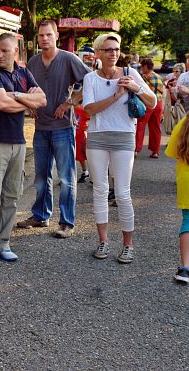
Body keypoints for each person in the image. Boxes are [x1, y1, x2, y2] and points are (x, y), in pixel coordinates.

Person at [82, 33, 156, 264]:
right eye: (108, 49)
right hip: (97, 137)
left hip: (124, 137)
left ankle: (128, 245)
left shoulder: (129, 73)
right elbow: (89, 109)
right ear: (98, 53)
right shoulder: (91, 79)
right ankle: (103, 241)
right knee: (100, 190)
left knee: (123, 193)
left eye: (116, 49)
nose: (113, 53)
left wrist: (136, 87)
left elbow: (152, 102)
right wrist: (116, 96)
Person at [0, 33, 46, 267]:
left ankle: (2, 243)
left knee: (11, 197)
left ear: (16, 51)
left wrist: (15, 95)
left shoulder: (23, 73)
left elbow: (43, 101)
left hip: (18, 143)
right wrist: (26, 102)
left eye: (5, 50)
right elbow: (0, 103)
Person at [16, 20, 91, 239]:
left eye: (48, 35)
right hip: (41, 127)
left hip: (63, 127)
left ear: (56, 36)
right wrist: (30, 104)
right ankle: (40, 215)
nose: (44, 39)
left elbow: (91, 80)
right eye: (41, 35)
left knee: (66, 177)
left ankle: (67, 222)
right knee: (41, 176)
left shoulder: (68, 59)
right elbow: (25, 88)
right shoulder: (33, 62)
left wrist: (70, 102)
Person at [165, 115, 189, 284]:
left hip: (186, 180)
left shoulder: (183, 122)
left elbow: (173, 152)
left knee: (188, 221)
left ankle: (185, 268)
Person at [135, 58, 165, 158]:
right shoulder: (159, 77)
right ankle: (155, 151)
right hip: (159, 103)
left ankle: (136, 149)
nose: (141, 69)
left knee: (141, 125)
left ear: (146, 66)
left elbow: (140, 91)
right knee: (156, 127)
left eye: (142, 66)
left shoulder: (144, 77)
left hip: (148, 103)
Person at [74, 104, 90, 183]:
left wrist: (87, 127)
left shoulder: (81, 110)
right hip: (70, 136)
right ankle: (68, 176)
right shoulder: (67, 109)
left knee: (81, 156)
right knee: (69, 156)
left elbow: (91, 117)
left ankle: (85, 171)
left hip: (80, 136)